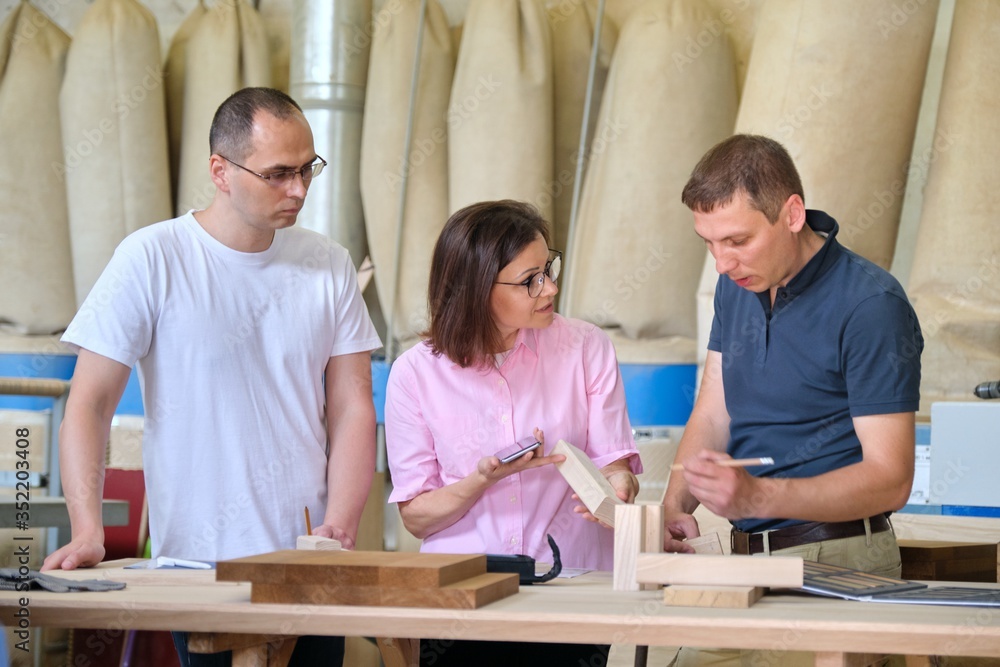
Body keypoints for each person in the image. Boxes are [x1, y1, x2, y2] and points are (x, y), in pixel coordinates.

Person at [41, 87, 382, 667]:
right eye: (278, 174)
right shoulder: (153, 258)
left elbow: (352, 406)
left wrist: (340, 527)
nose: (298, 190)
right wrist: (87, 528)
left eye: (307, 169)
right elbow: (90, 404)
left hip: (308, 565)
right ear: (220, 171)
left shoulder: (327, 262)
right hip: (198, 566)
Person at [661, 134, 922, 664]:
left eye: (737, 240)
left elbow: (891, 479)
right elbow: (714, 409)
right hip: (744, 562)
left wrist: (758, 498)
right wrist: (675, 499)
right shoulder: (737, 289)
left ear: (793, 214)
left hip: (840, 559)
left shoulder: (871, 304)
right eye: (708, 243)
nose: (722, 263)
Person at [385, 199, 641, 666]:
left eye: (548, 268)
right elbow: (417, 517)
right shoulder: (414, 374)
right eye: (530, 280)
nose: (551, 288)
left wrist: (618, 489)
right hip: (460, 600)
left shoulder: (586, 347)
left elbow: (616, 465)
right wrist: (483, 479)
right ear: (475, 288)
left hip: (571, 592)